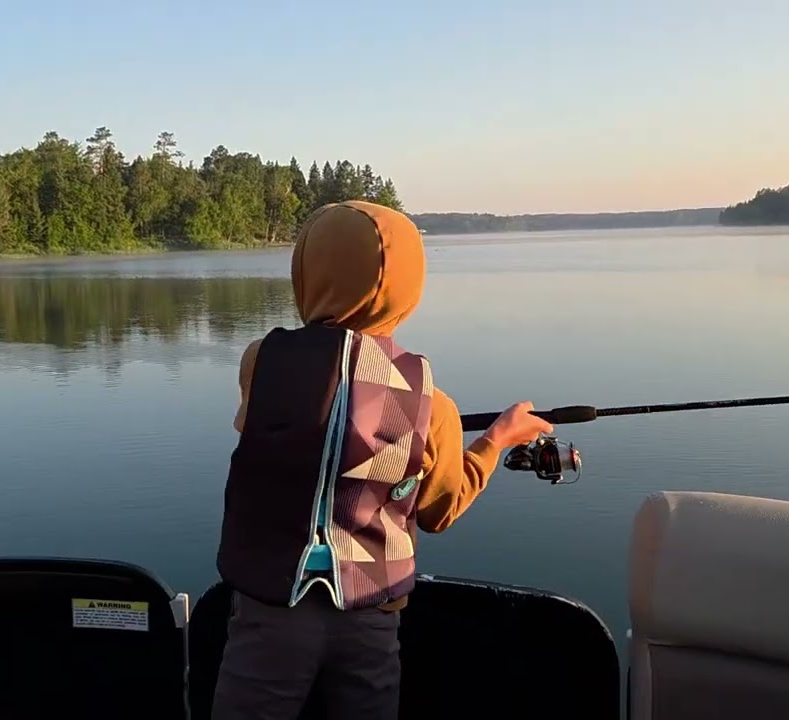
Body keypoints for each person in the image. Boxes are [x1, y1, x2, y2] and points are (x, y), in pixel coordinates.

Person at [210, 200, 554, 720]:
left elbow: (296, 418)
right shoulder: (433, 402)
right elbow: (440, 511)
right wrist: (496, 439)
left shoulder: (260, 362)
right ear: (407, 287)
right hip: (371, 620)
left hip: (269, 614)